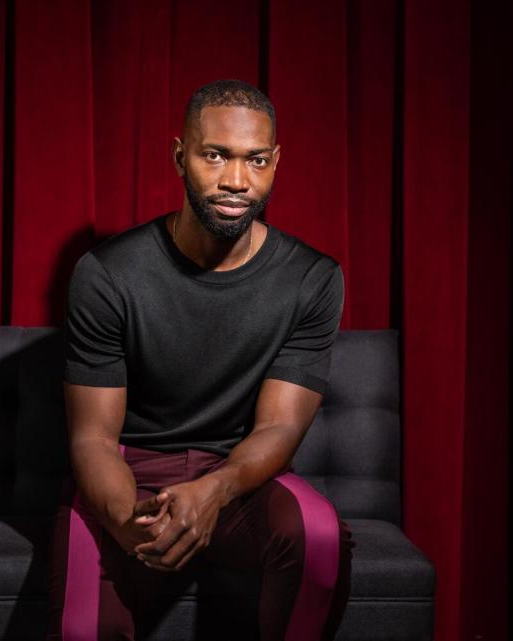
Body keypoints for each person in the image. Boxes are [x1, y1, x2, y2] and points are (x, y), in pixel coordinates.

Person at [48, 79, 354, 641]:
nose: (237, 180)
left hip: (241, 478)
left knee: (319, 536)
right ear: (180, 156)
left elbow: (281, 426)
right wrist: (128, 523)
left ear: (275, 162)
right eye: (215, 155)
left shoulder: (312, 279)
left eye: (256, 160)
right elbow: (92, 438)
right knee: (81, 629)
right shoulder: (108, 274)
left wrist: (213, 491)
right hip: (129, 473)